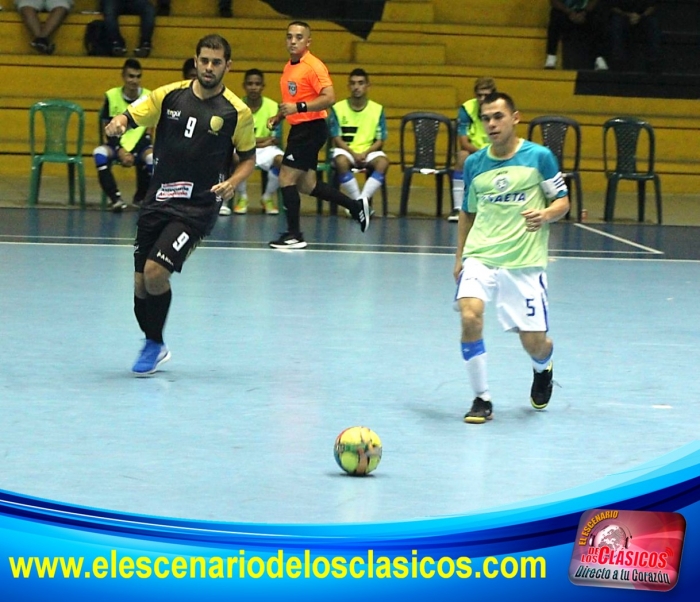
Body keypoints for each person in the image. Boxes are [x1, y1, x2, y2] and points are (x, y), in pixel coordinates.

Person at [104, 34, 256, 376]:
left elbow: (249, 158)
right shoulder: (169, 94)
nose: (209, 67)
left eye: (217, 62)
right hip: (158, 201)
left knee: (157, 272)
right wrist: (120, 122)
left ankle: (154, 345)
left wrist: (232, 182)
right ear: (196, 60)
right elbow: (132, 114)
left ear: (227, 67)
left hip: (198, 207)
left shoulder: (237, 113)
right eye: (204, 60)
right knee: (141, 286)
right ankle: (153, 341)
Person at [453, 92, 570, 424]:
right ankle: (481, 398)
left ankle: (542, 366)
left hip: (523, 262)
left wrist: (546, 214)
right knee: (470, 315)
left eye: (497, 117)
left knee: (533, 342)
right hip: (481, 255)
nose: (491, 124)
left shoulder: (540, 157)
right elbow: (467, 213)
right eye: (486, 118)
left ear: (515, 118)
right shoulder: (474, 163)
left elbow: (563, 202)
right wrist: (460, 257)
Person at [267, 21, 370, 250]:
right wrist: (279, 117)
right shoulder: (289, 67)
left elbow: (329, 97)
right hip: (300, 128)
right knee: (307, 185)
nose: (293, 41)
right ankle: (355, 207)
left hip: (310, 128)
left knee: (286, 177)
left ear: (308, 41)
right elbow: (291, 103)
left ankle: (295, 235)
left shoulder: (314, 66)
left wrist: (300, 108)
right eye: (289, 37)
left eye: (299, 37)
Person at [94, 58, 153, 212]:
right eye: (131, 76)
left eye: (138, 76)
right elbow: (106, 127)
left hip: (141, 145)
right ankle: (115, 199)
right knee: (99, 153)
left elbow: (149, 131)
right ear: (123, 76)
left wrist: (132, 152)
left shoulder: (148, 97)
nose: (134, 80)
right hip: (116, 144)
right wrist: (120, 150)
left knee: (152, 158)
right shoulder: (112, 96)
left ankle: (141, 198)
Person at [329, 68, 389, 215]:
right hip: (346, 151)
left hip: (368, 151)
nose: (357, 87)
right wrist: (353, 153)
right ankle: (359, 203)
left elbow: (380, 139)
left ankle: (359, 203)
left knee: (383, 162)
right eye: (353, 83)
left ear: (368, 86)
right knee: (341, 161)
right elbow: (336, 138)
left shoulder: (377, 109)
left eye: (361, 83)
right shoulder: (338, 109)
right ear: (348, 86)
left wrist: (365, 153)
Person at [225, 68, 283, 217]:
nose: (253, 87)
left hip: (266, 150)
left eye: (257, 84)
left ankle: (267, 197)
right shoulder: (235, 106)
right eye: (250, 84)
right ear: (244, 86)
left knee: (281, 160)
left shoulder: (273, 107)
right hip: (242, 148)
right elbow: (233, 137)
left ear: (263, 86)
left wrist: (257, 141)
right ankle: (242, 197)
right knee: (235, 158)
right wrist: (263, 141)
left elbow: (275, 138)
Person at [448, 77, 497, 222]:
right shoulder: (467, 109)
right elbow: (463, 142)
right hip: (474, 150)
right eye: (479, 95)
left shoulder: (501, 108)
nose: (482, 99)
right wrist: (482, 153)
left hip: (497, 150)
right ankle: (457, 208)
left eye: (486, 96)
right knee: (462, 156)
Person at [544, 0, 609, 71]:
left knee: (598, 16)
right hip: (566, 12)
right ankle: (551, 56)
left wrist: (584, 12)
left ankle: (599, 58)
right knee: (555, 15)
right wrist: (570, 12)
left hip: (585, 13)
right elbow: (554, 2)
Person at [609, 0, 662, 72]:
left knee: (653, 24)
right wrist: (627, 15)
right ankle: (618, 60)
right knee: (616, 23)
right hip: (623, 16)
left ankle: (653, 61)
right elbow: (613, 7)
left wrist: (641, 16)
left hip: (643, 16)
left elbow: (652, 6)